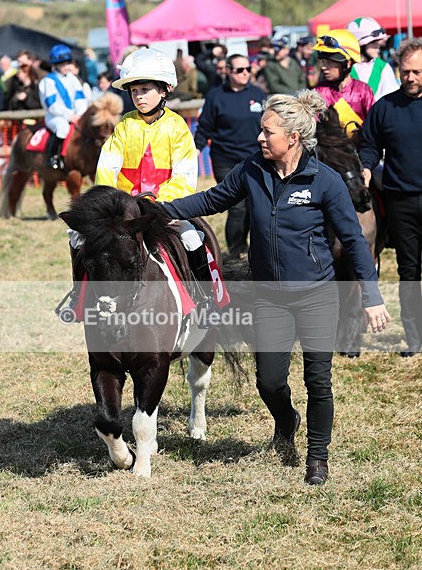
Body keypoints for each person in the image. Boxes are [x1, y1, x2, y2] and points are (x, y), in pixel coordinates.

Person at [161, 90, 390, 485]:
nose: (260, 138)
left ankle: (317, 458)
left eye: (267, 132)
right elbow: (212, 199)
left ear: (293, 138)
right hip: (269, 296)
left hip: (317, 296)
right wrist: (157, 210)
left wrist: (371, 296)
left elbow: (354, 242)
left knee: (318, 380)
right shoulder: (252, 169)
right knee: (268, 381)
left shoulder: (325, 180)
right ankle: (286, 420)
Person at [71, 47, 212, 301]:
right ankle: (79, 297)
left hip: (163, 209)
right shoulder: (124, 125)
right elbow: (107, 168)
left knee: (192, 238)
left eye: (145, 89)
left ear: (164, 89)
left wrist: (154, 202)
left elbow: (184, 176)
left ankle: (206, 299)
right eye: (134, 91)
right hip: (123, 212)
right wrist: (110, 205)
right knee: (77, 238)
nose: (138, 97)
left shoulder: (177, 127)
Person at [359, 37, 422, 357]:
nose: (409, 77)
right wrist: (366, 167)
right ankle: (415, 338)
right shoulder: (385, 107)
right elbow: (369, 144)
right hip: (401, 201)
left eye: (417, 72)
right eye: (405, 71)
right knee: (408, 271)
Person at [194, 54, 264, 258]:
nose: (245, 73)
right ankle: (235, 252)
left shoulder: (259, 94)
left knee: (254, 205)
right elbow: (204, 127)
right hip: (225, 159)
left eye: (248, 69)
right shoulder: (216, 96)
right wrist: (196, 149)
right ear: (228, 71)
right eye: (240, 70)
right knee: (237, 206)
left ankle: (253, 249)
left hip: (254, 159)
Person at [313, 30, 375, 138]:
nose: (323, 67)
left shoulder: (363, 91)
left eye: (329, 62)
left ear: (348, 63)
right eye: (323, 62)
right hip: (327, 147)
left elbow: (374, 125)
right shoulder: (319, 91)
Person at [38, 44, 89, 170]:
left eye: (68, 63)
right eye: (62, 64)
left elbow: (80, 98)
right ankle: (53, 157)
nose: (66, 67)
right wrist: (68, 115)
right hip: (55, 116)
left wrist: (80, 114)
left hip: (74, 115)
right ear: (55, 65)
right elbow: (51, 105)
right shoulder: (48, 81)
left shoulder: (73, 78)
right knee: (63, 128)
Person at [346, 17, 399, 101]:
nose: (378, 46)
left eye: (378, 42)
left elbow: (392, 99)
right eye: (373, 43)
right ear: (360, 45)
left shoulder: (383, 67)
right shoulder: (345, 68)